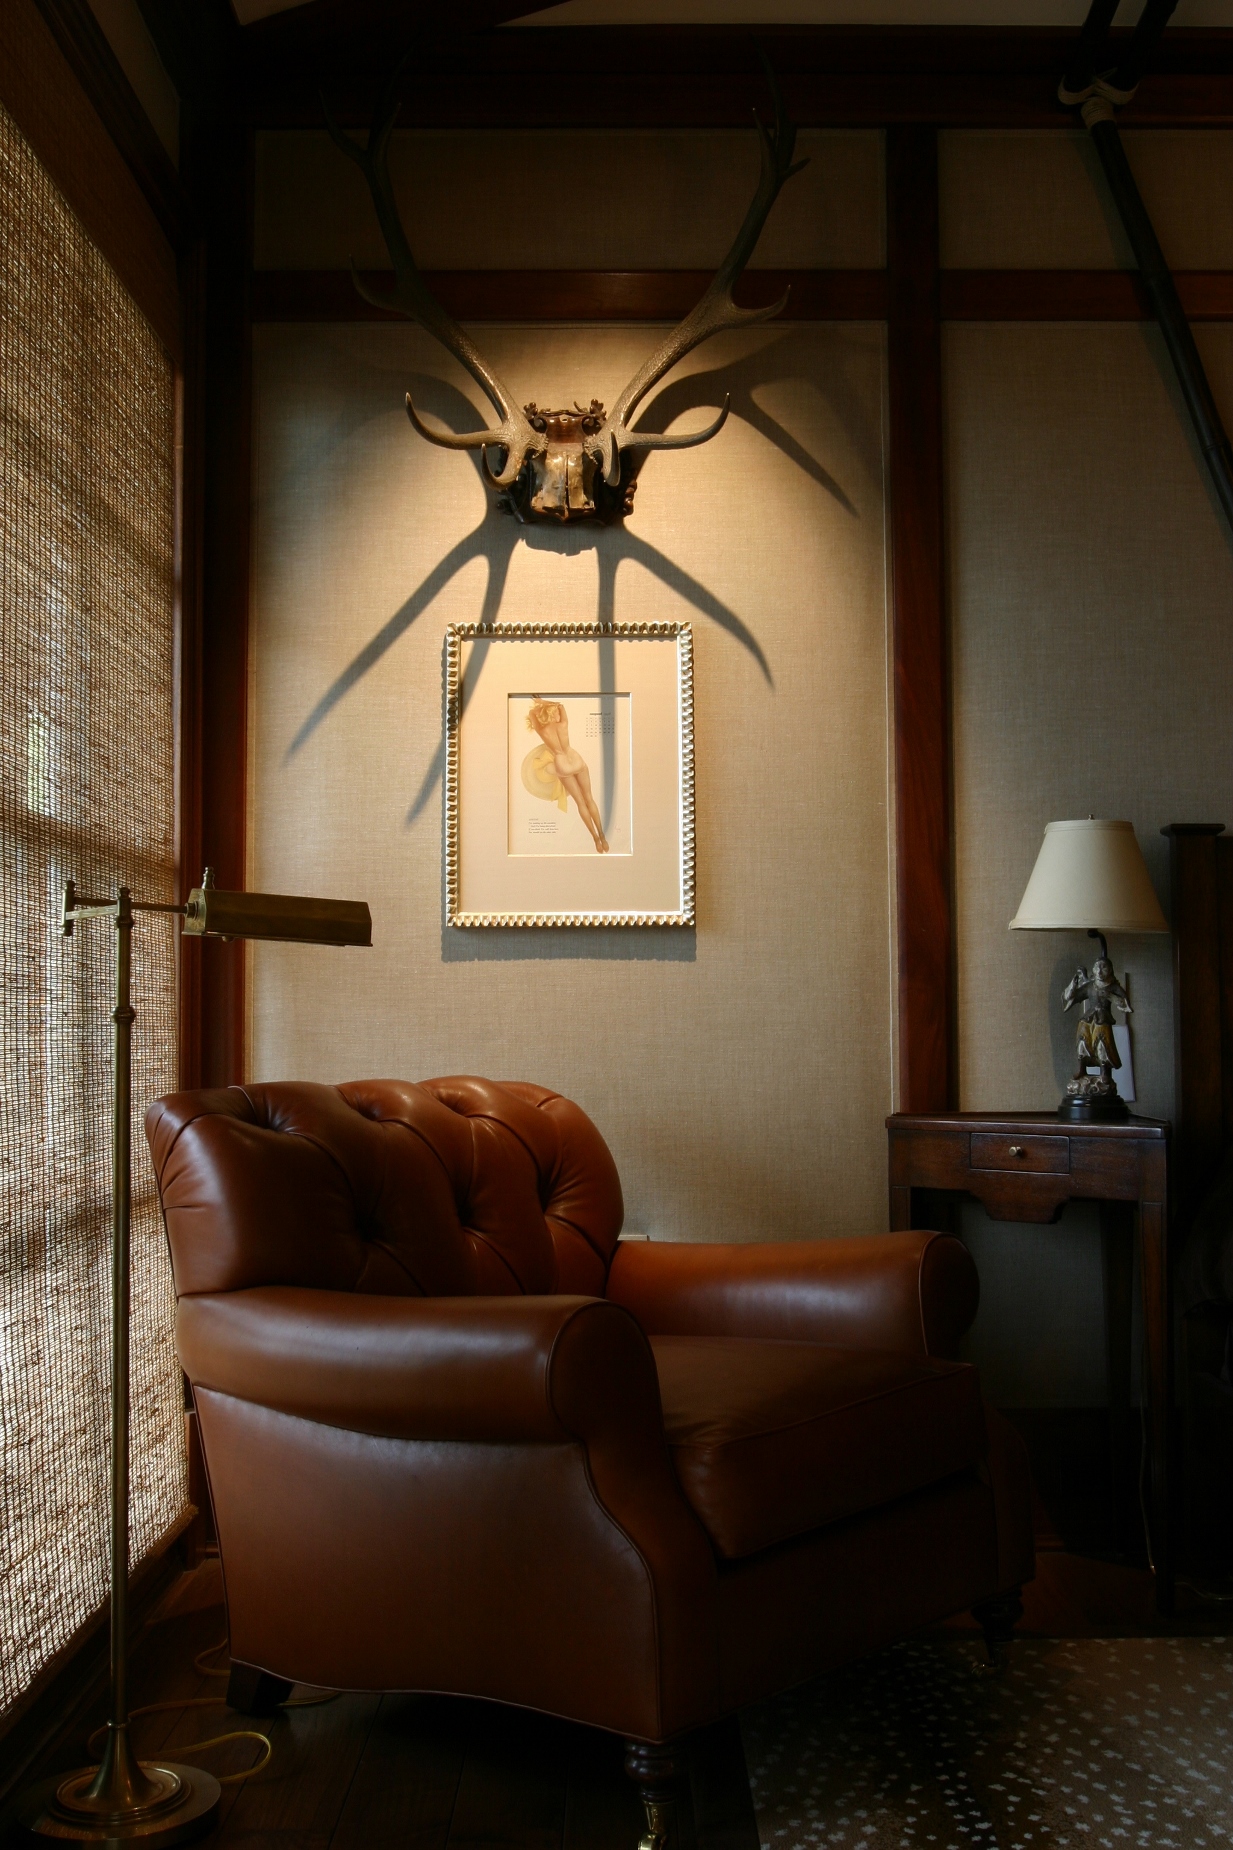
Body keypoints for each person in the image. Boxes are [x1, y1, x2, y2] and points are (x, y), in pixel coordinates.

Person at [526, 698, 609, 853]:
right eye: (556, 712)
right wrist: (543, 701)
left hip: (562, 764)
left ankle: (595, 839)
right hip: (576, 759)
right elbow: (560, 704)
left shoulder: (543, 731)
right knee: (589, 798)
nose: (558, 714)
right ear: (553, 713)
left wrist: (539, 706)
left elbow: (531, 712)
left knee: (580, 803)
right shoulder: (563, 724)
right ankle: (602, 835)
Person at [1062, 956, 1131, 1087]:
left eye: (1104, 968)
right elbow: (1074, 997)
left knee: (1102, 1043)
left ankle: (1104, 1072)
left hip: (1103, 1019)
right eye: (1097, 967)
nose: (1099, 971)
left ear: (1110, 970)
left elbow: (1124, 1003)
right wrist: (1074, 986)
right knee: (1082, 1041)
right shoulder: (1090, 986)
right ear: (1093, 970)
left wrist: (1110, 996)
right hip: (1088, 1018)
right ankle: (1082, 1069)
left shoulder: (1113, 987)